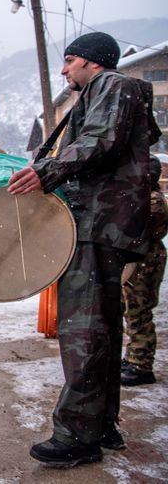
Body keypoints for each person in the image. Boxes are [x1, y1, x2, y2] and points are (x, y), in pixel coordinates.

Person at [8, 31, 162, 467]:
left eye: (70, 60)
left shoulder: (112, 84)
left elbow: (99, 140)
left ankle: (77, 435)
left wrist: (48, 171)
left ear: (93, 62)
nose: (63, 69)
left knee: (84, 334)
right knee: (103, 332)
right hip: (103, 224)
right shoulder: (108, 91)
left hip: (97, 223)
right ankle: (101, 425)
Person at [121, 156, 167, 386]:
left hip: (146, 262)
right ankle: (133, 357)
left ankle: (141, 365)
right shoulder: (143, 197)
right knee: (131, 311)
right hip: (138, 260)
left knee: (139, 314)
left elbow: (136, 228)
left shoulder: (154, 200)